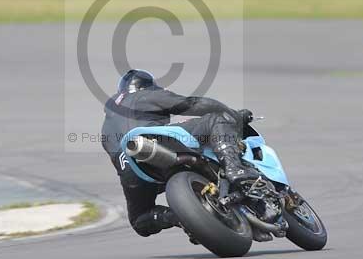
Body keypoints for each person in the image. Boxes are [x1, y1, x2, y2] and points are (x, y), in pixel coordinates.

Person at [101, 69, 270, 241]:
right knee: (216, 118)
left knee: (139, 219)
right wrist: (233, 114)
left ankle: (180, 218)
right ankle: (235, 168)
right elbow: (191, 104)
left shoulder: (106, 128)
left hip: (133, 171)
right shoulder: (143, 95)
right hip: (155, 142)